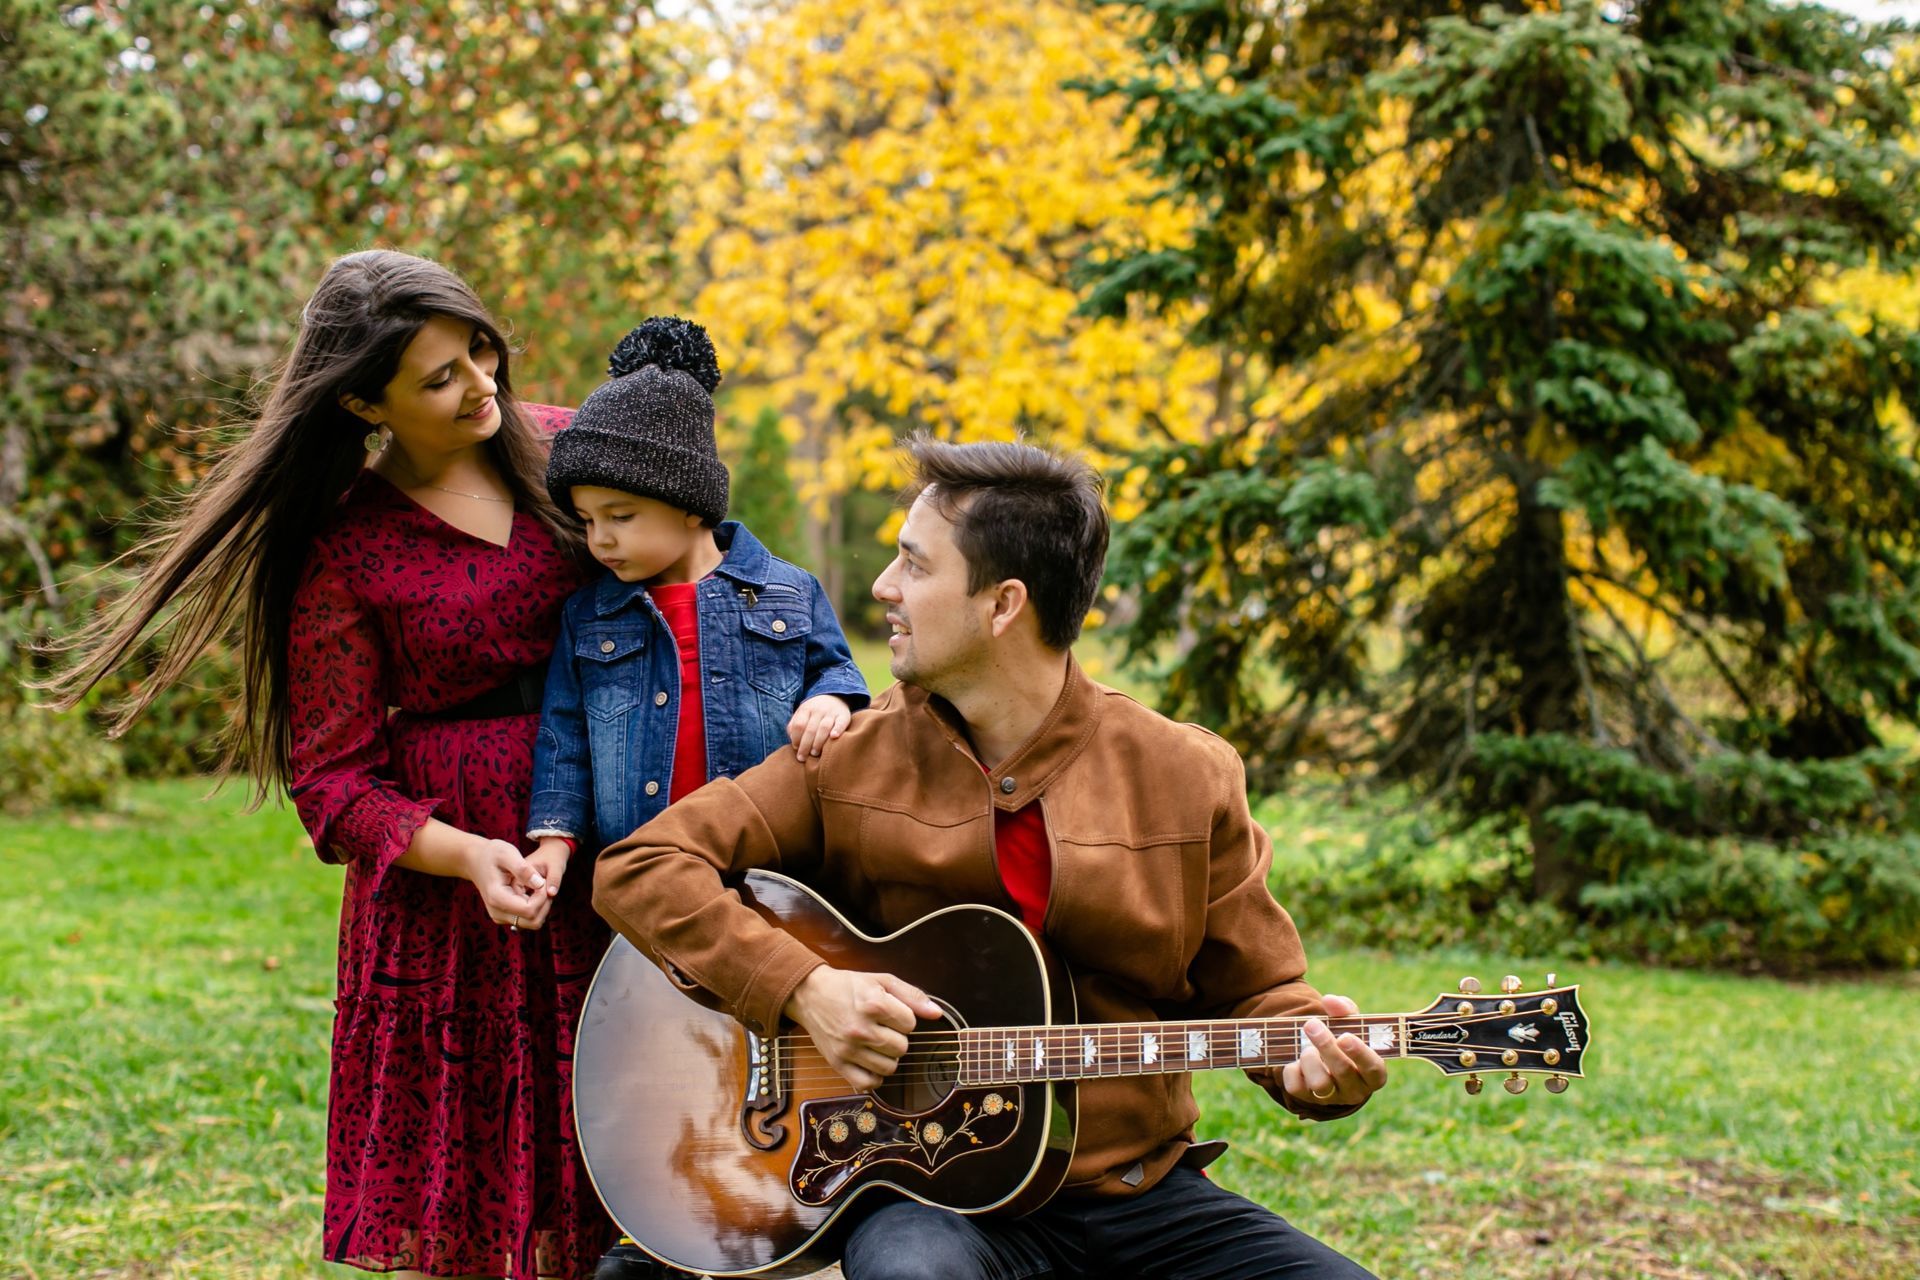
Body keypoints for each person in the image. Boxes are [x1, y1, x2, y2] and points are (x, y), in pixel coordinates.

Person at [590, 436, 1387, 1279]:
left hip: (1139, 1196)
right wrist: (807, 988)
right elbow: (643, 867)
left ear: (1003, 605)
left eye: (913, 565)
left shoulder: (1185, 775)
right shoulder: (849, 757)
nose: (881, 589)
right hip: (931, 1205)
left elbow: (1264, 994)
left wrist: (1314, 1068)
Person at [46, 249, 612, 1278]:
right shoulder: (346, 547)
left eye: (480, 348)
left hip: (607, 845)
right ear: (366, 400)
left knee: (633, 1171)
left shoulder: (572, 452)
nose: (481, 381)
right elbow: (334, 779)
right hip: (462, 911)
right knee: (490, 1212)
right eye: (439, 376)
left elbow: (703, 560)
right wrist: (470, 857)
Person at [520, 316, 870, 1280]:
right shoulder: (588, 616)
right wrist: (553, 842)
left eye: (619, 516)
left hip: (769, 893)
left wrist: (831, 703)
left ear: (687, 503)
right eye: (586, 519)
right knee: (673, 1054)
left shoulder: (787, 596)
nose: (598, 540)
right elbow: (560, 740)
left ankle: (775, 1203)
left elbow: (846, 681)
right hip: (647, 900)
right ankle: (670, 1213)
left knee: (764, 1035)